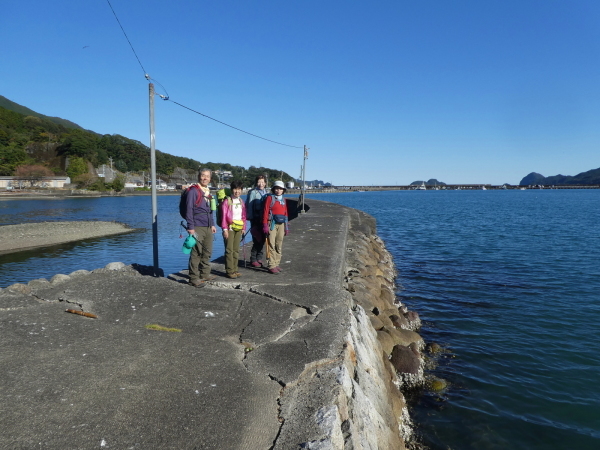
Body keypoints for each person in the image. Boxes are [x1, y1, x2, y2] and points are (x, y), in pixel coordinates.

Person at [186, 168, 217, 287]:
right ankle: (193, 278)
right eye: (203, 175)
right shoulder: (194, 191)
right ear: (199, 176)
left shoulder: (207, 192)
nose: (205, 178)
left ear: (210, 178)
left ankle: (205, 274)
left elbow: (210, 211)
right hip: (197, 225)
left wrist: (213, 224)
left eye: (207, 176)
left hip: (208, 225)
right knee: (196, 253)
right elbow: (189, 209)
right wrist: (191, 227)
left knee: (207, 251)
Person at [219, 180, 247, 279]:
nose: (237, 191)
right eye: (235, 189)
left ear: (241, 190)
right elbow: (223, 217)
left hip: (238, 228)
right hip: (229, 228)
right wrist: (224, 229)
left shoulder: (241, 201)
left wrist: (244, 227)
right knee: (229, 250)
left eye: (239, 189)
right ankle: (229, 271)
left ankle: (235, 269)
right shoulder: (227, 201)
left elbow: (243, 216)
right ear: (231, 190)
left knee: (236, 250)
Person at [262, 180, 289, 275]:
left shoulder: (283, 200)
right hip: (271, 224)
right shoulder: (270, 198)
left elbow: (285, 213)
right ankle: (271, 265)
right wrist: (265, 225)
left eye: (280, 189)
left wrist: (286, 227)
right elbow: (265, 212)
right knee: (271, 245)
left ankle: (277, 263)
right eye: (277, 188)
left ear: (283, 190)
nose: (278, 190)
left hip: (281, 224)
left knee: (279, 244)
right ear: (274, 189)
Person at [245, 174, 268, 267]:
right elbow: (249, 205)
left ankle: (259, 258)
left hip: (264, 219)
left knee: (263, 239)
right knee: (257, 239)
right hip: (255, 218)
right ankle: (253, 259)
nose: (260, 184)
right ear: (256, 182)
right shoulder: (253, 192)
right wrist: (250, 217)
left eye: (262, 182)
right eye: (259, 182)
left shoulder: (266, 192)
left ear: (265, 183)